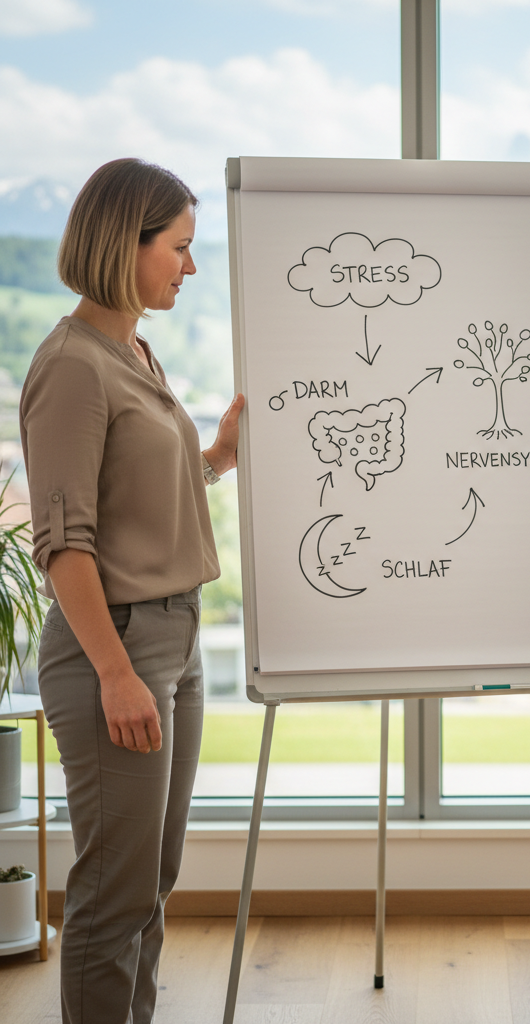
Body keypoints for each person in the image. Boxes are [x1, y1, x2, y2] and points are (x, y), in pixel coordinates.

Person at [19, 158, 245, 1024]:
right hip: (114, 646)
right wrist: (117, 673)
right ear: (129, 244)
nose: (189, 267)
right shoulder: (73, 365)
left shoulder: (129, 348)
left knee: (151, 880)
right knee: (114, 893)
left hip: (172, 641)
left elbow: (133, 492)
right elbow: (63, 541)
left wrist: (217, 456)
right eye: (180, 248)